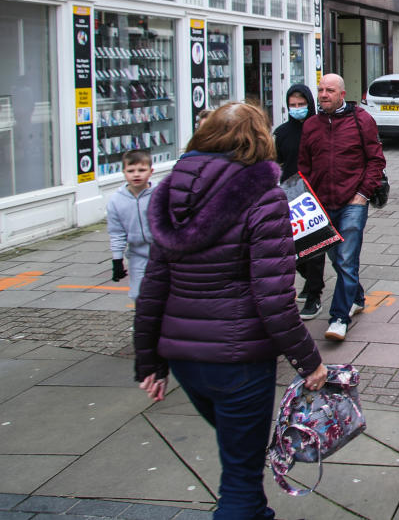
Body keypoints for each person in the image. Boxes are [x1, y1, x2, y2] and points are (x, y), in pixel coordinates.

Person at [135, 102, 328, 519]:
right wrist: (309, 362)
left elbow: (153, 285)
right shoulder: (263, 197)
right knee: (240, 477)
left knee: (238, 457)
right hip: (238, 361)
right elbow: (274, 295)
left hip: (186, 360)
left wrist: (149, 360)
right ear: (259, 140)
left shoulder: (171, 192)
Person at [298, 74, 386, 342]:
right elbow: (304, 166)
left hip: (352, 202)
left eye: (329, 90)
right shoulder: (311, 125)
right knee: (337, 260)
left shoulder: (362, 120)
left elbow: (376, 160)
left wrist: (362, 194)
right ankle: (357, 296)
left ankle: (339, 318)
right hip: (321, 204)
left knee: (346, 259)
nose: (323, 94)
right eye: (320, 90)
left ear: (341, 93)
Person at [273, 83, 323, 319]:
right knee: (292, 250)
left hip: (316, 193)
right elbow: (278, 163)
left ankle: (314, 294)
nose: (297, 109)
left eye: (301, 105)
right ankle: (311, 283)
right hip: (291, 194)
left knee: (314, 248)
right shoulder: (282, 133)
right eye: (292, 105)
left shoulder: (320, 128)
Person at [106, 149, 154, 301]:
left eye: (142, 170)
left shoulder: (159, 194)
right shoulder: (116, 201)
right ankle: (143, 323)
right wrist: (117, 259)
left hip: (162, 253)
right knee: (138, 294)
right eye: (131, 171)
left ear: (151, 171)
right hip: (137, 253)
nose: (136, 174)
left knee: (164, 291)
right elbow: (116, 232)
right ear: (124, 172)